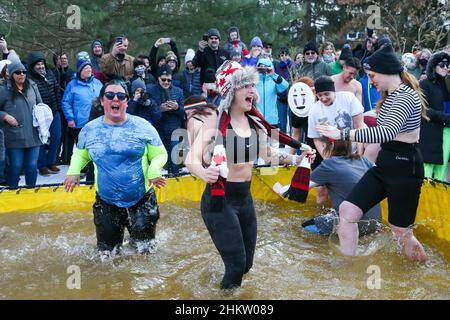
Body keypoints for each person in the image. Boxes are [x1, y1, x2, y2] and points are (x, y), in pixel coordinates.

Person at [185, 61, 315, 289]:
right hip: (220, 200)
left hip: (244, 200)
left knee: (246, 265)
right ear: (230, 91)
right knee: (236, 266)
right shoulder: (216, 121)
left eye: (252, 86)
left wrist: (298, 159)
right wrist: (206, 174)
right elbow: (190, 159)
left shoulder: (255, 121)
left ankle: (217, 285)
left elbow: (268, 154)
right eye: (245, 86)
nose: (252, 91)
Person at [316, 44, 428, 262]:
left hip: (405, 168)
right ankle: (349, 266)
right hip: (385, 165)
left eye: (372, 75)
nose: (371, 80)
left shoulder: (405, 96)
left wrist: (342, 133)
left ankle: (422, 270)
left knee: (400, 232)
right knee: (347, 211)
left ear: (386, 71)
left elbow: (386, 132)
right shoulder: (389, 95)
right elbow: (379, 128)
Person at [64, 80, 168, 254]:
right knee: (107, 254)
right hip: (106, 201)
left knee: (146, 253)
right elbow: (81, 154)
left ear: (127, 101)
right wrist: (74, 171)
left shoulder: (143, 127)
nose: (116, 99)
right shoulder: (89, 130)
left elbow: (160, 154)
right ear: (102, 100)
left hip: (141, 200)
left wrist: (154, 170)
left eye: (121, 96)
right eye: (110, 95)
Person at [301, 140, 381, 236]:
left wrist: (280, 188)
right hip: (376, 223)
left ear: (327, 146)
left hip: (352, 223)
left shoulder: (328, 164)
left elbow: (298, 188)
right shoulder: (364, 160)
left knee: (305, 226)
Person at [0, 59, 43, 188]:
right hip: (14, 136)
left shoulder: (32, 86)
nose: (21, 74)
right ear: (12, 74)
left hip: (33, 134)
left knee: (31, 167)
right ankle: (13, 192)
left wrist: (44, 121)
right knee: (16, 166)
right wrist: (5, 116)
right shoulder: (3, 90)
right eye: (18, 72)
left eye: (24, 72)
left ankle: (31, 192)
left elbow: (41, 105)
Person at [62, 54, 102, 163]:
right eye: (86, 68)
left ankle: (93, 168)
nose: (89, 70)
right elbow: (66, 102)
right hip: (80, 122)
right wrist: (70, 118)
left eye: (90, 68)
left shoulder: (98, 83)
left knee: (95, 146)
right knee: (82, 147)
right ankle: (83, 168)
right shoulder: (72, 85)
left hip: (96, 122)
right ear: (80, 70)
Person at [27, 52, 62, 176]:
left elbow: (56, 90)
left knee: (57, 137)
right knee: (41, 139)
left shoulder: (50, 74)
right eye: (37, 64)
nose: (41, 66)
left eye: (42, 63)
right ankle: (41, 165)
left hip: (53, 111)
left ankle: (51, 161)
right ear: (32, 66)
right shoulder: (29, 79)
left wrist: (58, 107)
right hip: (39, 114)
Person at [146, 64, 184, 175]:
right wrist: (160, 110)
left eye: (169, 80)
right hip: (158, 129)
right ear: (158, 78)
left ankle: (176, 179)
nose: (166, 82)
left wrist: (177, 108)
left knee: (174, 160)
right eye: (163, 79)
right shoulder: (151, 90)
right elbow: (148, 112)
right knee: (159, 159)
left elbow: (183, 113)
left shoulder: (178, 91)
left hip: (174, 128)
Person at [419, 52, 450, 182]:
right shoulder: (425, 84)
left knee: (442, 170)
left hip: (447, 131)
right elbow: (423, 109)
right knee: (427, 167)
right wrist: (445, 117)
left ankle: (438, 201)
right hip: (430, 131)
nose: (445, 67)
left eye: (447, 65)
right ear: (433, 66)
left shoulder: (447, 84)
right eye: (442, 65)